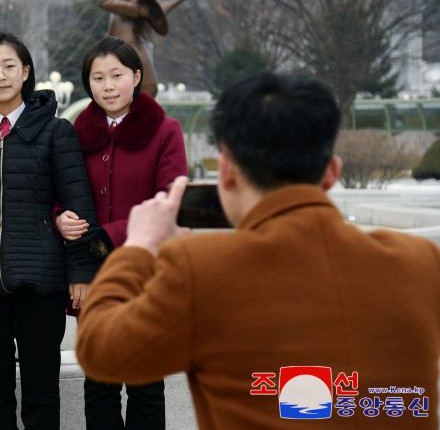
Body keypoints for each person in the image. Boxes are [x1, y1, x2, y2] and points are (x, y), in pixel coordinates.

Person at [76, 72, 440, 429]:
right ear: (331, 173)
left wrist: (138, 247)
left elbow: (101, 351)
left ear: (228, 173)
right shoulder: (421, 262)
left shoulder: (200, 270)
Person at [0, 29, 99, 430]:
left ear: (26, 71)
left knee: (41, 389)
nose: (0, 76)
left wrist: (81, 272)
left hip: (42, 281)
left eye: (9, 66)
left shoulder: (55, 131)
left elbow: (78, 205)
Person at [66, 36, 187, 430]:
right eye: (97, 78)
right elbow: (58, 190)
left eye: (116, 75)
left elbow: (169, 201)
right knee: (99, 382)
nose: (107, 85)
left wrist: (108, 234)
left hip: (146, 272)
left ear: (136, 77)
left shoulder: (165, 131)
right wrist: (59, 217)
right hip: (94, 276)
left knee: (145, 382)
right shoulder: (74, 134)